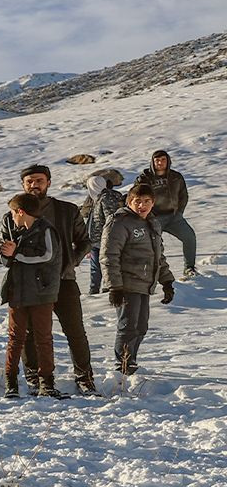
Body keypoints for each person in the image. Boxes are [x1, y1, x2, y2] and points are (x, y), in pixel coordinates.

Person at [14, 165, 96, 395]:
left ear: (48, 183)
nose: (34, 185)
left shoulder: (67, 210)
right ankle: (33, 377)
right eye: (29, 181)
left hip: (64, 279)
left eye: (39, 180)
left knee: (75, 331)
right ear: (23, 184)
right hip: (29, 283)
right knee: (30, 333)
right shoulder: (14, 212)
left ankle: (85, 378)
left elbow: (85, 242)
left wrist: (72, 262)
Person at [100, 184, 176, 374]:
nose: (142, 205)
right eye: (137, 201)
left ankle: (131, 359)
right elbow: (109, 256)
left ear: (153, 203)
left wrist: (167, 281)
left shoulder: (153, 222)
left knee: (141, 326)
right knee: (128, 326)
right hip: (126, 283)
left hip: (145, 283)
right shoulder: (119, 222)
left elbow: (158, 256)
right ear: (129, 202)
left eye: (146, 201)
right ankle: (123, 365)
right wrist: (115, 287)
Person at [0, 193, 65, 399]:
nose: (11, 216)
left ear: (21, 212)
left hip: (42, 292)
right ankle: (11, 381)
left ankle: (47, 382)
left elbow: (47, 255)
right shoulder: (10, 227)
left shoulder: (45, 229)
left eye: (13, 212)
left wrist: (16, 253)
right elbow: (2, 253)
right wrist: (7, 255)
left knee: (43, 338)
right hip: (17, 291)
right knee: (15, 338)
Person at [137, 150, 197, 278]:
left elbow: (183, 195)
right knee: (154, 246)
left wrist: (179, 212)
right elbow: (137, 197)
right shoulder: (145, 178)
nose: (160, 162)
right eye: (157, 160)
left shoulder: (176, 177)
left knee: (190, 237)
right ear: (152, 162)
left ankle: (189, 268)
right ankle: (153, 273)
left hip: (173, 217)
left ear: (168, 160)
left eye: (163, 159)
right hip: (154, 218)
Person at [83, 170, 125, 295]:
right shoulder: (97, 198)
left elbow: (111, 219)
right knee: (96, 267)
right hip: (96, 239)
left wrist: (110, 237)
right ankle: (94, 290)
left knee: (106, 265)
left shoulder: (106, 198)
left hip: (105, 239)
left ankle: (107, 287)